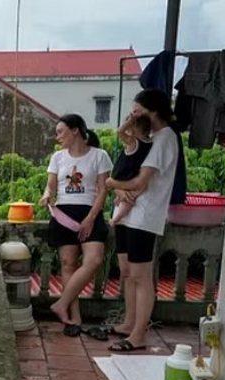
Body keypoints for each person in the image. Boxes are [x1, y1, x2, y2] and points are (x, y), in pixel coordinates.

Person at [104, 89, 180, 352]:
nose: (133, 115)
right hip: (128, 213)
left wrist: (113, 183)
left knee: (140, 275)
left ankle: (138, 335)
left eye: (137, 110)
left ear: (152, 111)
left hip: (145, 215)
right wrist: (118, 188)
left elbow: (141, 181)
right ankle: (128, 322)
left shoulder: (165, 138)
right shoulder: (146, 139)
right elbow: (129, 170)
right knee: (126, 270)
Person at [39, 114, 114, 336]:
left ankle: (61, 303)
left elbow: (103, 190)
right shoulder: (58, 158)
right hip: (64, 213)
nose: (57, 136)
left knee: (94, 260)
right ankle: (74, 318)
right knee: (68, 264)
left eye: (61, 131)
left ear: (75, 131)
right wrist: (46, 196)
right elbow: (51, 186)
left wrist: (90, 218)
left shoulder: (99, 156)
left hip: (90, 212)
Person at [110, 113, 154, 225]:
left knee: (128, 199)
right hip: (131, 175)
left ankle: (117, 218)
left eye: (129, 128)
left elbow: (119, 131)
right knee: (137, 191)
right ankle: (120, 200)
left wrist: (129, 121)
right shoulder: (150, 142)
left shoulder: (133, 142)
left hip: (124, 176)